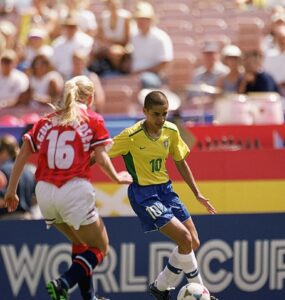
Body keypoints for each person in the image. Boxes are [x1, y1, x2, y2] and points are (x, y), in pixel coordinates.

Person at [4, 75, 133, 300]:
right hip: (73, 189)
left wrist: (11, 190)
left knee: (80, 242)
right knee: (100, 248)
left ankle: (89, 297)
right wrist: (117, 177)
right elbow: (102, 158)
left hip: (44, 192)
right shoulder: (92, 119)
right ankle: (64, 282)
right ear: (90, 97)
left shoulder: (45, 121)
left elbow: (24, 151)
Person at [108, 90, 218, 300]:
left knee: (193, 242)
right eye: (156, 114)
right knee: (184, 239)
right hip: (144, 195)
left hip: (165, 190)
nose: (160, 119)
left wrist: (197, 193)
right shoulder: (130, 136)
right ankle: (201, 292)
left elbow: (180, 161)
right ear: (145, 112)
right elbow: (101, 154)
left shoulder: (171, 130)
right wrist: (93, 173)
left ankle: (160, 286)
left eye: (164, 114)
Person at [0, 134, 36, 220]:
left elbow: (2, 200)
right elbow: (35, 199)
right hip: (29, 219)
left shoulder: (3, 170)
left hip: (7, 221)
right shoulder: (29, 170)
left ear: (4, 152)